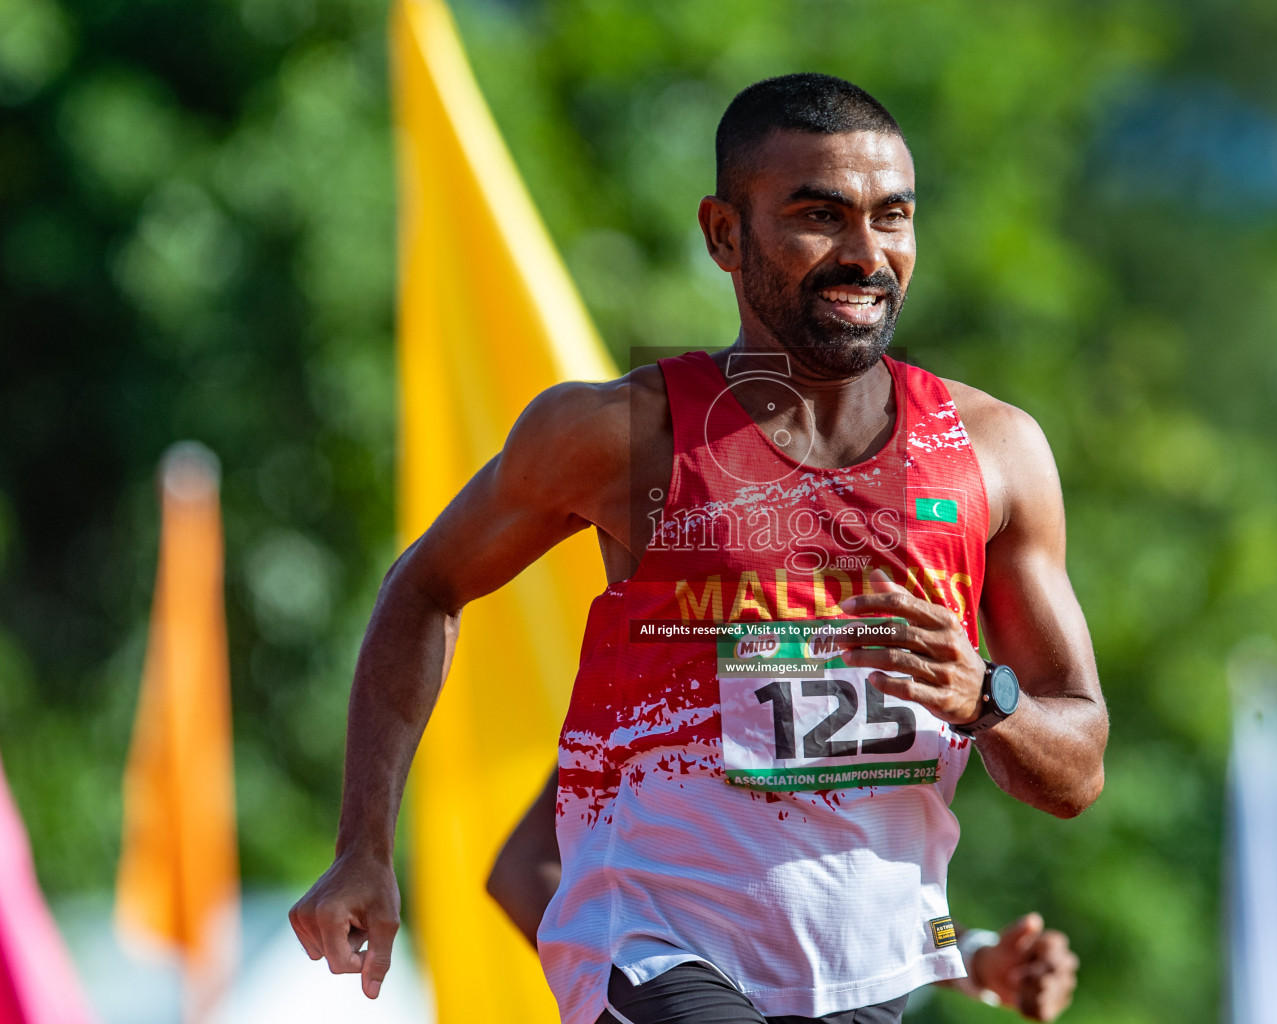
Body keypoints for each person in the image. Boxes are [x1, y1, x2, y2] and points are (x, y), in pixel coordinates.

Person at [289, 72, 1106, 1024]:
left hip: (868, 979)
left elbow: (1076, 768)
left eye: (893, 217)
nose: (865, 253)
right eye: (819, 216)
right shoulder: (620, 436)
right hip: (651, 950)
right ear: (724, 233)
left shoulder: (993, 453)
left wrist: (984, 698)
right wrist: (364, 848)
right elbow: (424, 587)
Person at [487, 769, 1081, 1020]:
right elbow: (523, 866)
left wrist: (970, 955)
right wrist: (636, 974)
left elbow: (853, 895)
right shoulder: (680, 635)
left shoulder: (896, 645)